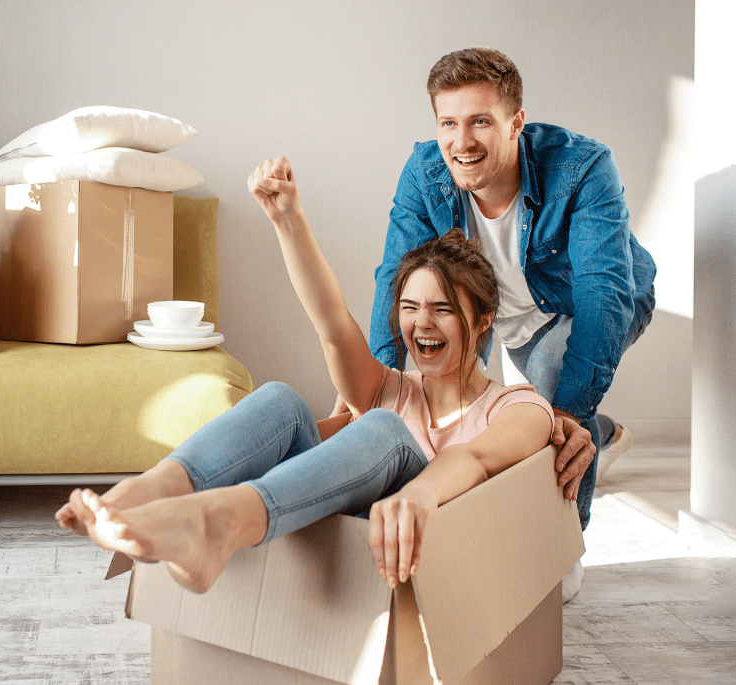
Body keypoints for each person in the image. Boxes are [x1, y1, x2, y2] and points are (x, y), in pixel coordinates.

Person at [55, 157, 553, 595]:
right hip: (322, 527)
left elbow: (475, 455)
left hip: (411, 558)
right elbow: (332, 321)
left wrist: (418, 492)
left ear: (485, 319)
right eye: (409, 307)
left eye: (442, 309)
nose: (421, 323)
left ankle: (220, 524)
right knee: (281, 400)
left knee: (381, 428)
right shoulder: (387, 388)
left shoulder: (519, 408)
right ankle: (154, 490)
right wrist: (288, 219)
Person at [365, 47, 656, 541]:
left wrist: (560, 418)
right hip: (492, 312)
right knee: (467, 404)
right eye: (448, 123)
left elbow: (601, 293)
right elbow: (397, 278)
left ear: (516, 121)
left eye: (480, 121)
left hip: (583, 303)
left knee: (550, 389)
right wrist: (376, 388)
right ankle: (602, 431)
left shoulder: (583, 167)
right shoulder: (425, 173)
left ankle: (563, 545)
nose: (462, 141)